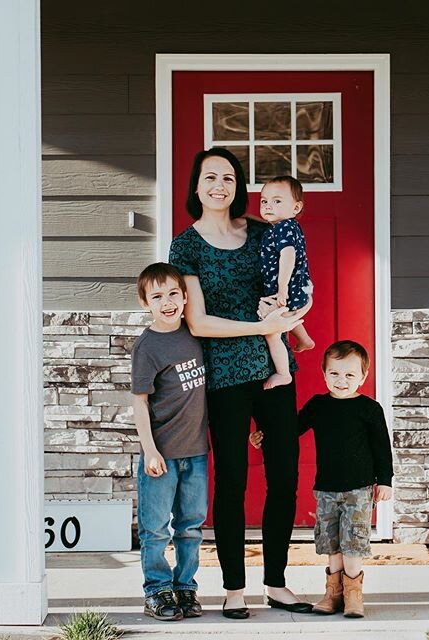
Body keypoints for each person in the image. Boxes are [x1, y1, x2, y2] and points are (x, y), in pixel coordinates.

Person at [168, 147, 314, 619]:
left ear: (238, 186)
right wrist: (260, 326)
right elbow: (200, 321)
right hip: (224, 375)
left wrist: (295, 317)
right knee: (230, 482)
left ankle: (276, 582)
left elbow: (292, 287)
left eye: (228, 178)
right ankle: (233, 588)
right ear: (196, 186)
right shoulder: (186, 245)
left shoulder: (263, 230)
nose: (219, 186)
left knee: (284, 477)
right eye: (210, 177)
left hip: (275, 372)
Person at [250, 340, 394, 618]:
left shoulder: (369, 409)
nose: (342, 381)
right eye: (335, 374)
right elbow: (292, 429)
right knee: (332, 543)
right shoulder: (319, 405)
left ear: (363, 377)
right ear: (324, 373)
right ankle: (333, 593)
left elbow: (381, 447)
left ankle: (353, 595)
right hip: (327, 489)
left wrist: (384, 480)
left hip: (359, 490)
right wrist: (265, 434)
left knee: (353, 542)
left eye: (350, 375)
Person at [130, 262, 209, 622]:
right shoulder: (147, 347)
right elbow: (140, 401)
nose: (167, 302)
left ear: (185, 297)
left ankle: (185, 587)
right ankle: (157, 590)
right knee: (156, 529)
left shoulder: (195, 333)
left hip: (196, 453)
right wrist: (149, 450)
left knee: (191, 526)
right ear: (146, 302)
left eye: (173, 294)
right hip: (161, 455)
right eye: (157, 296)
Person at [259, 176, 315, 390]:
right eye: (264, 201)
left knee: (272, 332)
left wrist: (282, 289)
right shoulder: (288, 227)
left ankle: (283, 374)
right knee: (289, 317)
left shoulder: (282, 228)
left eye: (277, 201)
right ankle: (305, 340)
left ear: (296, 207)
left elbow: (288, 257)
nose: (268, 206)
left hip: (287, 291)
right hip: (298, 289)